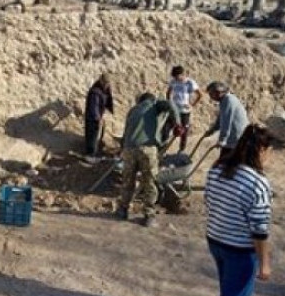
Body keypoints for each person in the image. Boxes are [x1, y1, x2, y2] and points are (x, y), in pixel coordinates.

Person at [203, 124, 273, 296]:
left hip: (215, 239)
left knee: (233, 287)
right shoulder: (258, 183)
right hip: (239, 248)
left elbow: (209, 202)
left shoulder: (217, 169)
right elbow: (260, 231)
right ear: (262, 150)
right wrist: (264, 263)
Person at [116, 92, 181, 227]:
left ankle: (122, 210)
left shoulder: (133, 110)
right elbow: (170, 105)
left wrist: (122, 148)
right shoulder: (155, 105)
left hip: (129, 149)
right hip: (147, 149)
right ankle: (149, 216)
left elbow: (125, 131)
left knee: (128, 181)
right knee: (149, 181)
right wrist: (177, 124)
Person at [201, 81, 249, 160]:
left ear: (218, 92)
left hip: (237, 137)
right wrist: (212, 130)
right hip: (236, 137)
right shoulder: (225, 100)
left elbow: (226, 122)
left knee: (225, 162)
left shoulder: (228, 101)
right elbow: (221, 119)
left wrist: (222, 140)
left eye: (211, 94)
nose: (210, 97)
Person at [165, 65, 202, 152]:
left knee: (184, 131)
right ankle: (163, 147)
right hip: (175, 110)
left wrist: (192, 105)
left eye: (177, 77)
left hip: (185, 111)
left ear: (182, 74)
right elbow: (168, 93)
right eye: (174, 77)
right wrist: (170, 103)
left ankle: (181, 150)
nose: (176, 79)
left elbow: (200, 95)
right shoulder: (173, 81)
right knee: (166, 128)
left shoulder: (190, 82)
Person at [83, 73, 115, 160]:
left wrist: (110, 110)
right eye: (105, 83)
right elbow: (94, 107)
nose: (107, 85)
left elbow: (108, 99)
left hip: (99, 114)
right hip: (92, 117)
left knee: (98, 135)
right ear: (101, 81)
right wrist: (97, 118)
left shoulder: (105, 89)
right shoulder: (95, 92)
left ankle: (96, 151)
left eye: (108, 83)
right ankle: (90, 155)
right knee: (92, 136)